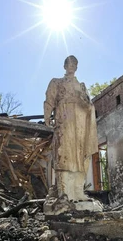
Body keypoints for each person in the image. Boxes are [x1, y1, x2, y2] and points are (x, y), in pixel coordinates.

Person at [44, 55, 98, 202]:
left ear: (77, 67)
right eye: (69, 63)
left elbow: (89, 107)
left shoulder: (81, 86)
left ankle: (78, 191)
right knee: (64, 154)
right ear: (64, 66)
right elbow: (49, 99)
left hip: (80, 123)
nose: (72, 65)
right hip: (65, 120)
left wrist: (84, 100)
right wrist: (47, 116)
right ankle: (64, 192)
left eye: (74, 63)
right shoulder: (57, 82)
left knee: (80, 156)